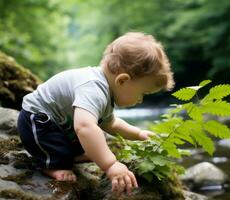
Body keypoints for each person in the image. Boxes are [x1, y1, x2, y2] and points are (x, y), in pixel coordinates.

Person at [17, 32, 174, 194]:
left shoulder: (105, 90)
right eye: (143, 94)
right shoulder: (93, 88)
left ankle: (71, 154)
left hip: (60, 123)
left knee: (93, 136)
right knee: (87, 133)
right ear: (122, 80)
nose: (141, 100)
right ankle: (52, 164)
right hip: (37, 120)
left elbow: (111, 124)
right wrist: (110, 164)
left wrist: (139, 133)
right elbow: (84, 127)